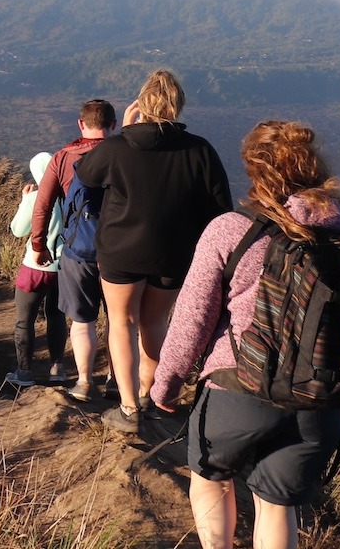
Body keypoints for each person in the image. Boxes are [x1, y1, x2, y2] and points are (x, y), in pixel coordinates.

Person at [151, 120, 340, 549]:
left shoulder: (232, 230)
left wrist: (166, 381)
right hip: (321, 403)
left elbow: (193, 317)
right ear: (316, 169)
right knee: (277, 507)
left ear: (256, 169)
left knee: (210, 479)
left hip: (239, 391)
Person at [76, 70, 232, 435]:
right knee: (155, 323)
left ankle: (128, 410)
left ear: (141, 103)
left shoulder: (117, 147)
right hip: (174, 255)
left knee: (121, 322)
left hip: (120, 252)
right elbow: (221, 209)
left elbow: (86, 174)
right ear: (178, 105)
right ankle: (150, 396)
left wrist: (124, 132)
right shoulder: (200, 150)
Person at [29, 98, 117, 400]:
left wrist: (38, 244)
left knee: (83, 321)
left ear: (81, 124)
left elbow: (42, 206)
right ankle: (116, 380)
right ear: (113, 125)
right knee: (119, 321)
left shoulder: (64, 157)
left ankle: (84, 382)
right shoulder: (125, 155)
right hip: (119, 252)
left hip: (78, 251)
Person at [7, 151, 67, 387]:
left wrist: (24, 200)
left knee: (24, 320)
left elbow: (18, 230)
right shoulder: (68, 196)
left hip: (34, 266)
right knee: (57, 316)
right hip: (63, 268)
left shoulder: (35, 198)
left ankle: (24, 372)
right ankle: (58, 370)